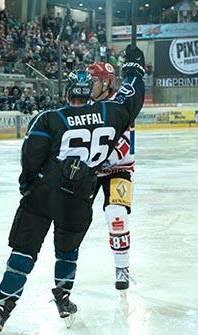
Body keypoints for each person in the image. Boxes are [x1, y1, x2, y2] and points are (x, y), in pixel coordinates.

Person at [0, 45, 145, 335]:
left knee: (24, 251)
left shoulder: (50, 118)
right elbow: (134, 99)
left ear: (69, 91)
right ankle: (64, 300)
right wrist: (134, 71)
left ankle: (2, 310)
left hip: (46, 194)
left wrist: (27, 188)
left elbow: (31, 158)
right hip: (81, 197)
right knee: (68, 251)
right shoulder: (111, 112)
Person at [88, 62, 135, 290]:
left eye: (94, 80)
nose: (90, 85)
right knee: (73, 214)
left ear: (106, 82)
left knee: (116, 215)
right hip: (90, 171)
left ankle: (122, 268)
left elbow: (127, 144)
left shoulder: (121, 105)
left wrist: (101, 160)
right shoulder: (86, 106)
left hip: (118, 169)